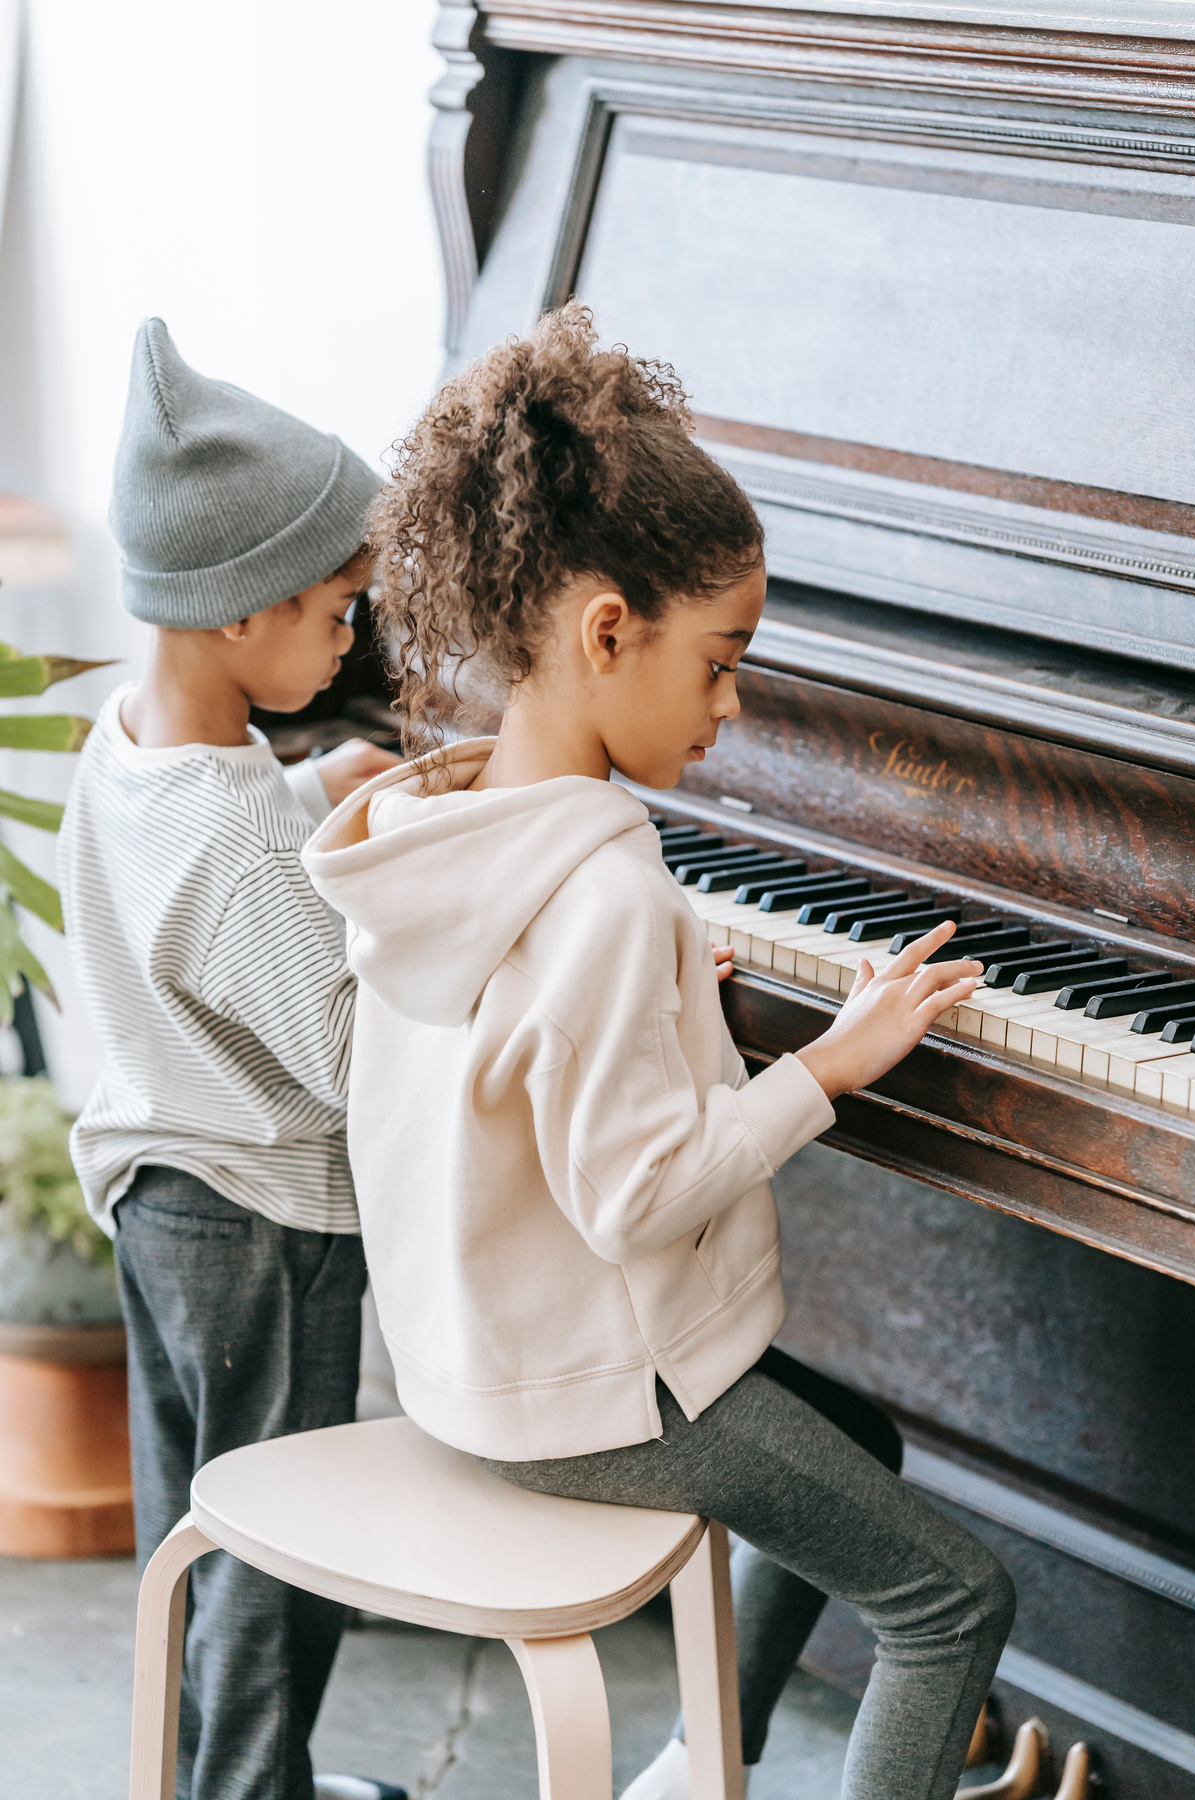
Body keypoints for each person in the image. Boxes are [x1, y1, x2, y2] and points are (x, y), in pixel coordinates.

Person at [303, 303, 1016, 1800]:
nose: (735, 704)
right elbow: (631, 1199)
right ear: (604, 632)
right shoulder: (611, 888)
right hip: (594, 1398)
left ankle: (708, 1764)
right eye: (721, 661)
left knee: (861, 1447)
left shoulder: (443, 824)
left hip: (470, 1358)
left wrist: (669, 1001)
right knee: (955, 1599)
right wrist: (824, 1065)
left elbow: (534, 1041)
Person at [60, 320, 406, 1800]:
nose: (350, 640)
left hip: (154, 1195)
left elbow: (207, 859)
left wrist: (315, 782)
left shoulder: (132, 739)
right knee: (282, 1552)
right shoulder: (231, 828)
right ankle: (250, 1791)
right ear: (236, 615)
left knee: (192, 1531)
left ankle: (197, 1776)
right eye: (338, 613)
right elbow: (343, 1050)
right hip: (265, 1222)